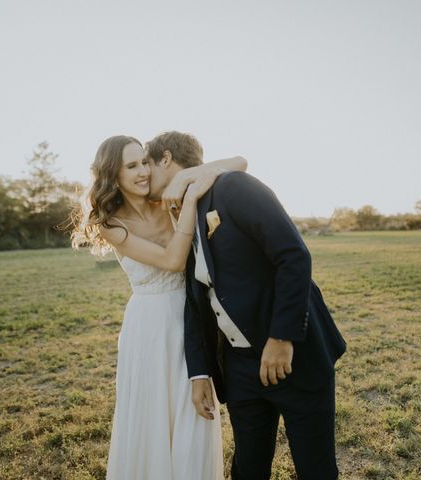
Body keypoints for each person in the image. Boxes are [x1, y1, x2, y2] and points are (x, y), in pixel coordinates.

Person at [144, 131, 347, 480]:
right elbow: (196, 303)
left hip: (294, 357)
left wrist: (282, 339)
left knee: (316, 468)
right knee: (248, 469)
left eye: (147, 162)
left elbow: (293, 256)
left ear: (165, 158)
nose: (144, 174)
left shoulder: (233, 188)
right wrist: (200, 372)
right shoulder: (180, 216)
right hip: (239, 369)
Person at [71, 134, 247, 480]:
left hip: (192, 319)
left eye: (144, 162)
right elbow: (171, 260)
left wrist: (184, 179)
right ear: (113, 174)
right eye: (131, 166)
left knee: (195, 414)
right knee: (152, 418)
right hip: (149, 328)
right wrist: (192, 200)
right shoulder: (112, 224)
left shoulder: (168, 196)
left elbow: (240, 163)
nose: (143, 172)